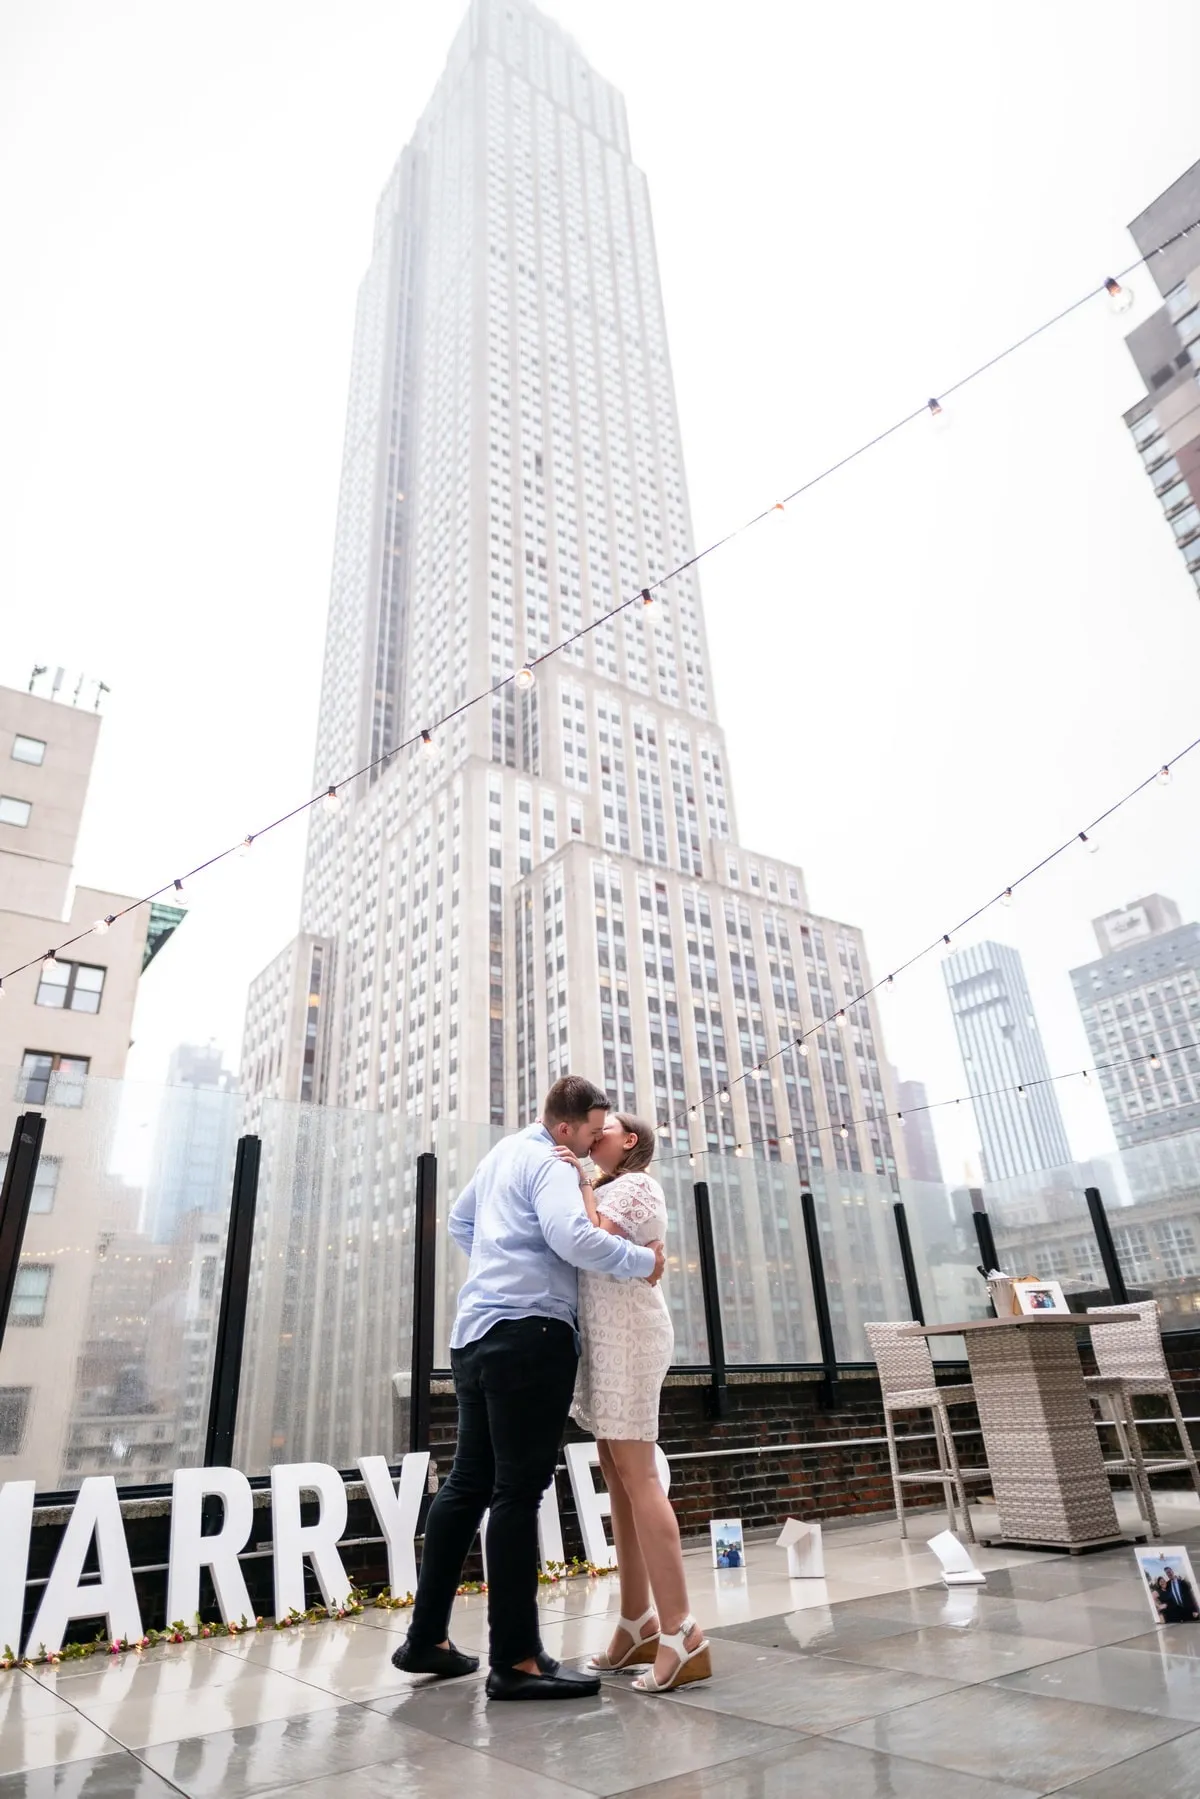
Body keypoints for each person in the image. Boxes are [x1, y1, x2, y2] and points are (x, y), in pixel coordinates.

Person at [391, 1076, 666, 1702]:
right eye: (594, 1133)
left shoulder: (501, 1154)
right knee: (518, 1492)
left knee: (467, 1484)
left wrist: (501, 1263)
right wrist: (643, 1262)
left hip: (475, 1333)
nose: (596, 1144)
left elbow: (462, 1223)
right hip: (531, 1333)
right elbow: (574, 1238)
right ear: (566, 1127)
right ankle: (517, 1660)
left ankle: (426, 1639)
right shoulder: (550, 1162)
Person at [556, 1113, 712, 1694]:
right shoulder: (601, 1185)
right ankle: (636, 1620)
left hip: (632, 1337)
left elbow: (594, 1237)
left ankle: (681, 1630)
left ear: (631, 1142)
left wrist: (577, 1180)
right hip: (605, 1339)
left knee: (639, 1477)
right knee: (617, 1480)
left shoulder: (638, 1184)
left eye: (607, 1128)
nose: (594, 1135)